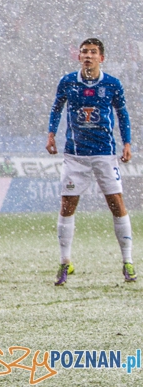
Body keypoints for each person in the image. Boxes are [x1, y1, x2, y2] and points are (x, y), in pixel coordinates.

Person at [47, 38, 136, 285]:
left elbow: (122, 113)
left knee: (116, 203)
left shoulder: (112, 84)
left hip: (104, 154)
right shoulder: (68, 82)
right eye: (84, 52)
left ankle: (127, 261)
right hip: (75, 155)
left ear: (101, 58)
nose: (88, 56)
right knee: (67, 205)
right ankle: (65, 262)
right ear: (79, 57)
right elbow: (56, 108)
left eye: (93, 52)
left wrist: (127, 143)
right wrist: (51, 133)